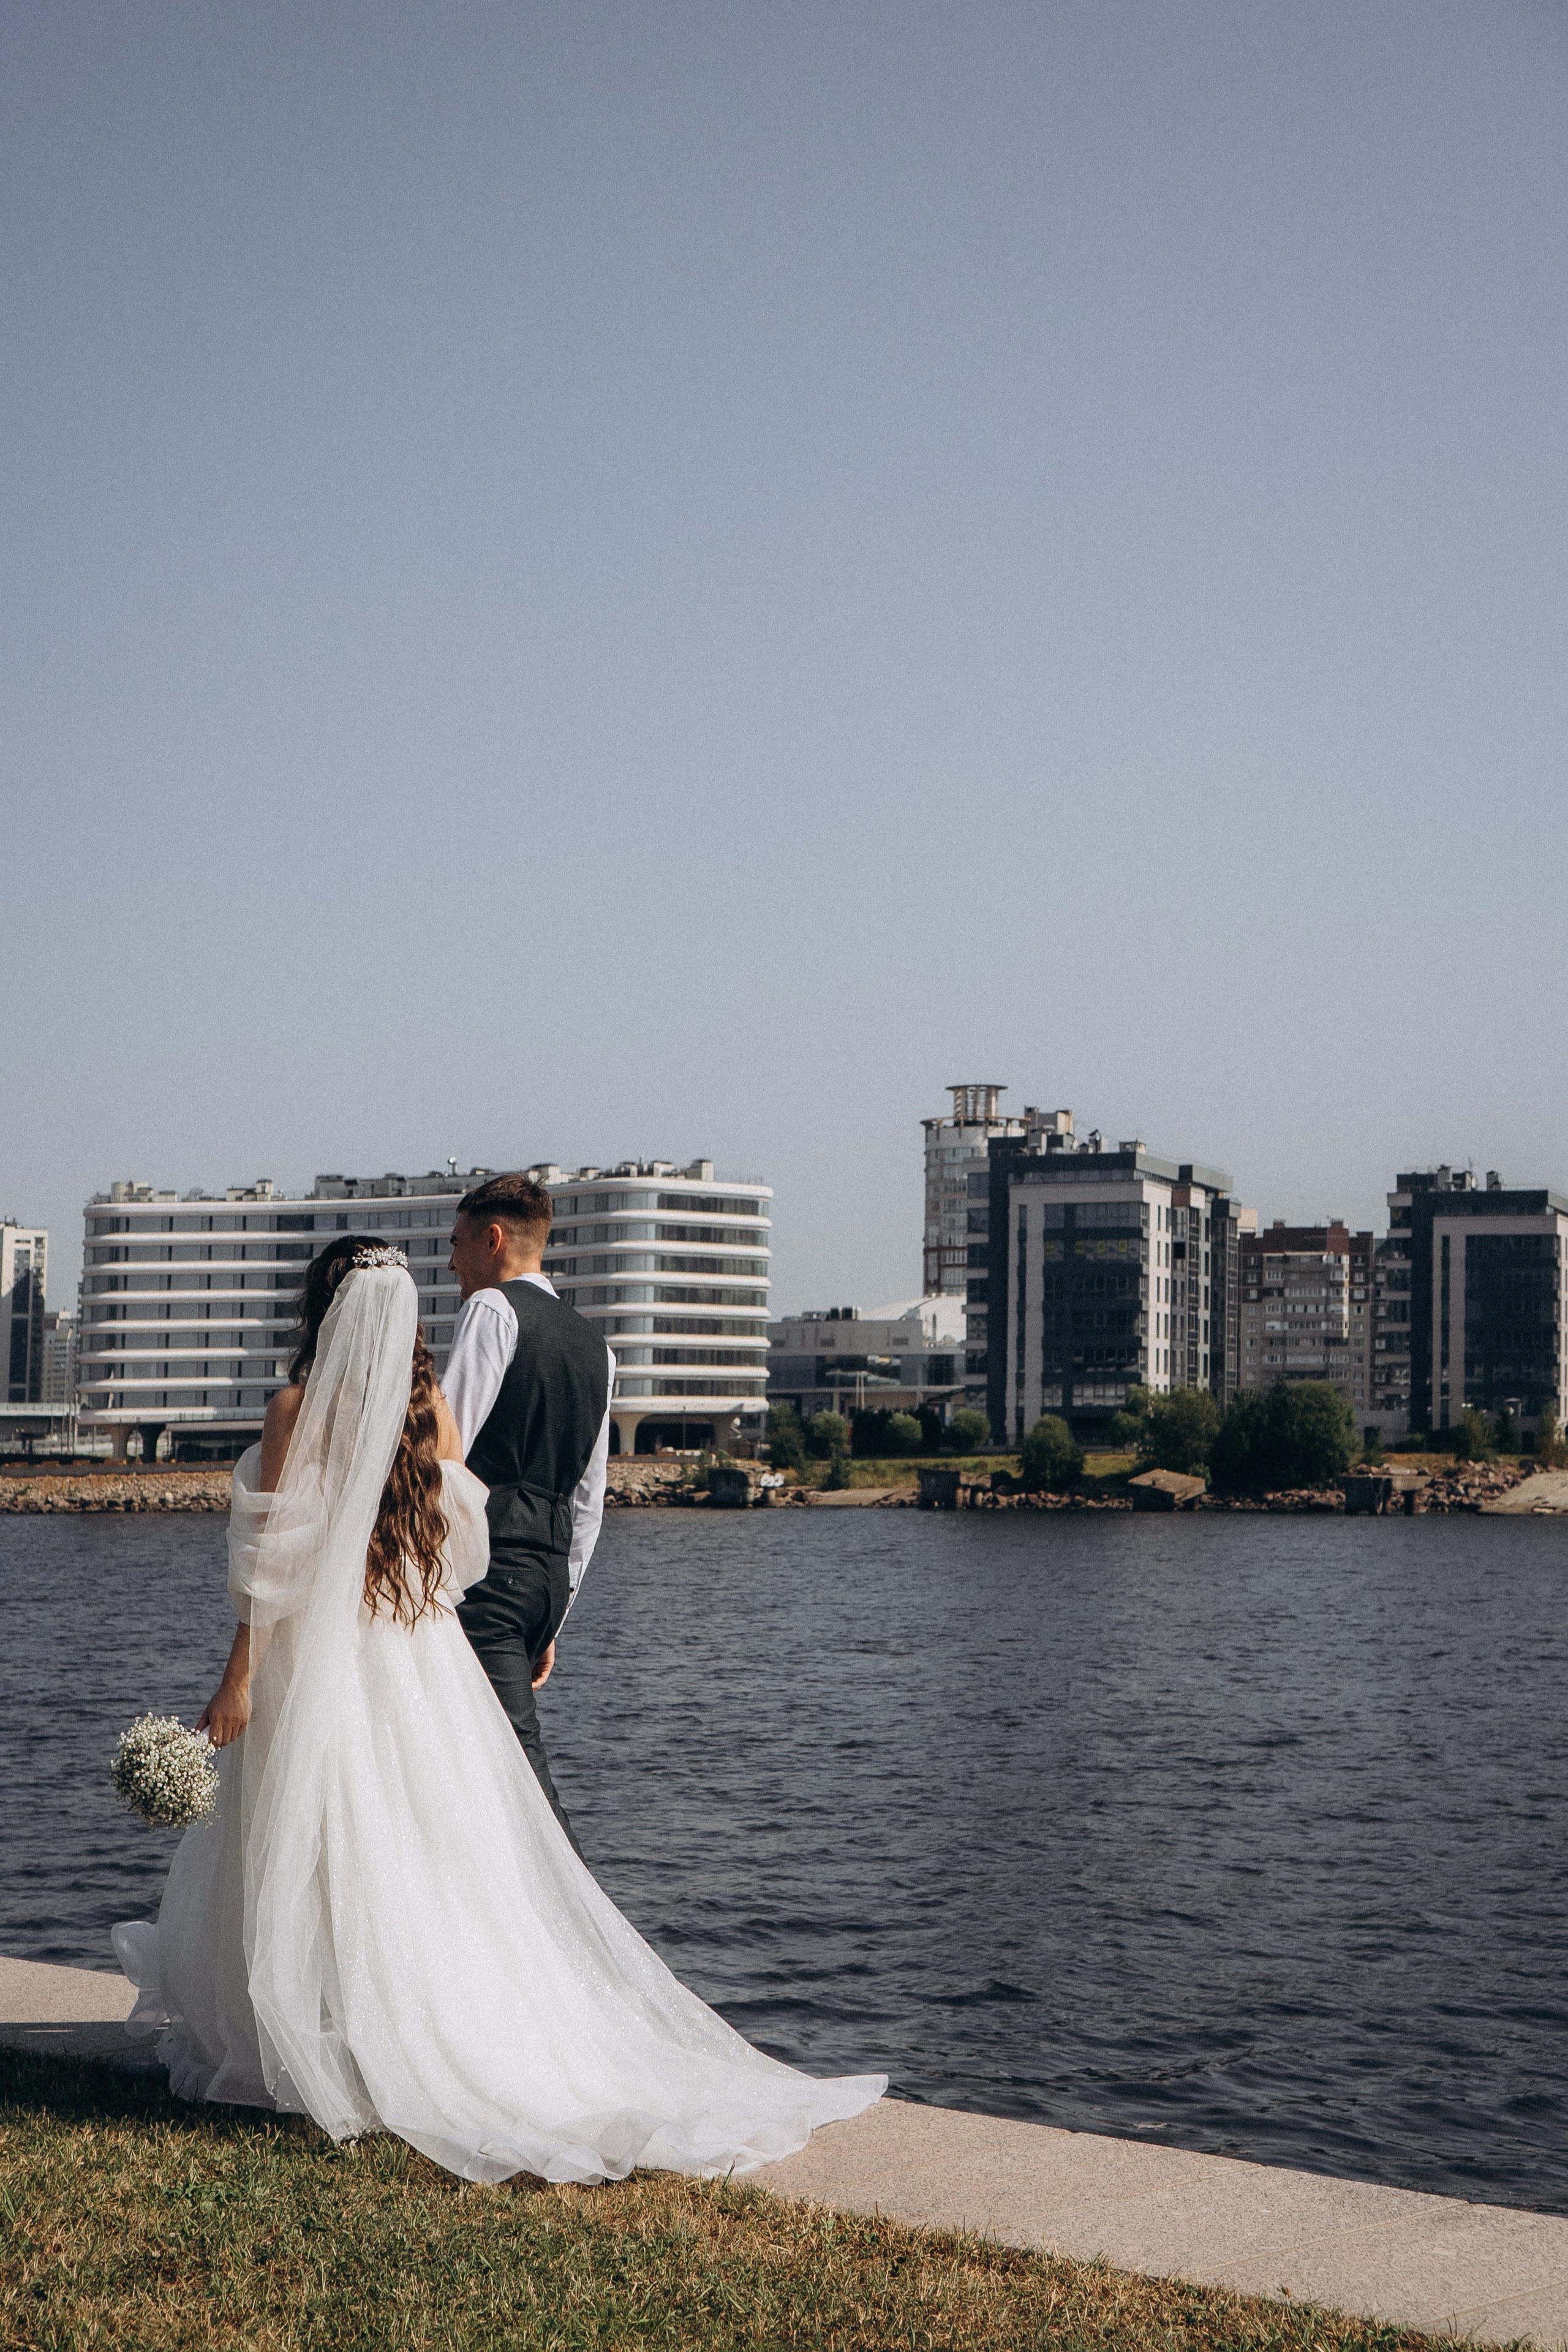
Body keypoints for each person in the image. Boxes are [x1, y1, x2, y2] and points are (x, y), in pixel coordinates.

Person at [112, 1237, 884, 2185]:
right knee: (425, 1852)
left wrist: (236, 1683)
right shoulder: (426, 1410)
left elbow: (270, 1572)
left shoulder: (294, 1410)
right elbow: (460, 1550)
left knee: (323, 1841)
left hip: (323, 1657)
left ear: (319, 1312)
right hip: (420, 1650)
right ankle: (397, 2030)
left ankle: (332, 2038)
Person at [442, 1172, 609, 1852]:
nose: (451, 1261)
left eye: (455, 1244)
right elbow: (590, 1501)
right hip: (542, 1582)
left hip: (491, 1571)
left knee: (514, 1770)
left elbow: (445, 1452)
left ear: (493, 1238)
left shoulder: (492, 1311)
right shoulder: (598, 1348)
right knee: (476, 1762)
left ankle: (583, 1940)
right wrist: (554, 1618)